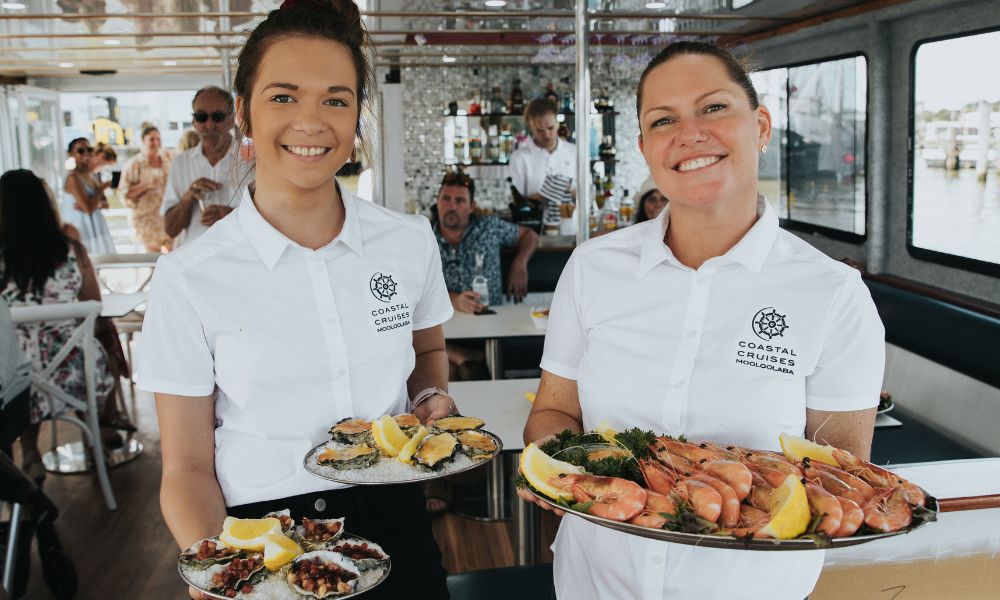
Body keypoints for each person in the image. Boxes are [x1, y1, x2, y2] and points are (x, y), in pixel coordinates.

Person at [518, 41, 885, 599]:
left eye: (714, 108)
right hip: (596, 582)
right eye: (664, 120)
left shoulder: (834, 294)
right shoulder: (593, 268)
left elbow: (841, 474)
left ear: (760, 126)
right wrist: (558, 474)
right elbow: (554, 408)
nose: (690, 133)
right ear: (644, 147)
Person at [138, 2, 453, 598]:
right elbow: (185, 467)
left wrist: (432, 396)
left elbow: (428, 348)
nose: (311, 121)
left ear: (357, 117)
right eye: (283, 97)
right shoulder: (189, 276)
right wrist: (214, 566)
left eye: (335, 100)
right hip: (261, 533)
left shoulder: (407, 241)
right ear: (243, 114)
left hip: (394, 517)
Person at [0, 169, 120, 484]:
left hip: (16, 386)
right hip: (76, 378)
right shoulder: (72, 251)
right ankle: (97, 435)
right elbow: (92, 307)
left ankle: (29, 455)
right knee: (92, 349)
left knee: (16, 367)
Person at [434, 171, 538, 378]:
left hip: (490, 324)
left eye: (460, 200)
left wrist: (520, 263)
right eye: (446, 199)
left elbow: (529, 235)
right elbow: (413, 290)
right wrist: (453, 299)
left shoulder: (489, 227)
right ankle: (462, 355)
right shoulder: (424, 236)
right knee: (447, 368)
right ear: (437, 201)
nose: (451, 206)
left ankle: (463, 356)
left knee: (449, 368)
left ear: (472, 206)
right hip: (444, 329)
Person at [160, 85, 248, 248]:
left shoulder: (250, 160)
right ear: (194, 121)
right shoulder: (181, 163)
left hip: (239, 259)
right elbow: (170, 230)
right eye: (202, 117)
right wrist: (188, 198)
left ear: (231, 119)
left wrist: (230, 216)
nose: (209, 125)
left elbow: (273, 219)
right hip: (193, 263)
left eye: (218, 116)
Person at [508, 98, 576, 227]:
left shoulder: (574, 153)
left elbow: (589, 196)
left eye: (551, 127)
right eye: (540, 130)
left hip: (571, 228)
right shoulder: (520, 157)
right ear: (530, 127)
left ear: (557, 122)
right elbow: (517, 203)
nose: (547, 134)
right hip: (533, 229)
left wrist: (568, 189)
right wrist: (546, 193)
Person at [119, 124, 173, 252]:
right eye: (152, 139)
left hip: (168, 219)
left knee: (175, 260)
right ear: (143, 141)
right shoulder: (134, 164)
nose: (156, 143)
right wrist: (147, 185)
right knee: (154, 262)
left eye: (158, 139)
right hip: (146, 222)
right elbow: (125, 194)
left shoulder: (168, 160)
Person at [61, 138, 116, 256]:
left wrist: (95, 203)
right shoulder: (73, 177)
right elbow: (88, 208)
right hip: (81, 229)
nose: (86, 153)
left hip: (95, 228)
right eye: (81, 150)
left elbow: (105, 204)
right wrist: (100, 190)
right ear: (71, 154)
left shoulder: (92, 175)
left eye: (89, 149)